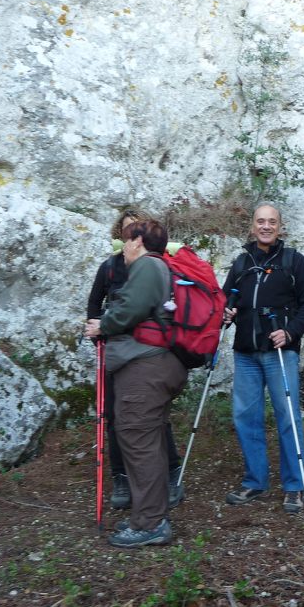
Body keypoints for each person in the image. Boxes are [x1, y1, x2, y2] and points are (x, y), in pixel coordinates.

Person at [85, 219, 188, 548]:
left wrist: (102, 325)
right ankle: (155, 514)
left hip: (145, 369)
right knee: (149, 440)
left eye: (127, 241)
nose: (123, 248)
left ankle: (149, 523)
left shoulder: (146, 266)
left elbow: (131, 309)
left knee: (138, 440)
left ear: (139, 242)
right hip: (160, 365)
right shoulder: (164, 269)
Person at [221, 203, 304, 514]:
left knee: (288, 417)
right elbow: (226, 300)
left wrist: (290, 333)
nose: (266, 226)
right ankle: (255, 481)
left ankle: (294, 487)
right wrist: (226, 311)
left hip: (280, 352)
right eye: (261, 221)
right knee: (246, 418)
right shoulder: (241, 262)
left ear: (280, 226)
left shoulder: (294, 261)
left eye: (271, 222)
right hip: (246, 353)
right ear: (252, 226)